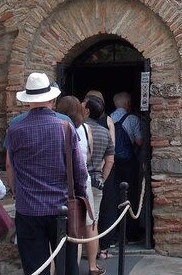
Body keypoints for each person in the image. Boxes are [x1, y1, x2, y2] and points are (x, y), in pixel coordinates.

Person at [5, 72, 88, 275]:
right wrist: (81, 193)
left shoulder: (14, 130)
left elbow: (10, 166)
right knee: (68, 267)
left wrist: (17, 194)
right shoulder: (66, 127)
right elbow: (79, 170)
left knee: (35, 268)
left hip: (28, 209)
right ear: (51, 99)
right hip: (61, 207)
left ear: (28, 100)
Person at [55, 96, 104, 275]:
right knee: (88, 225)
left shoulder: (57, 127)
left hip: (62, 183)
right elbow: (88, 156)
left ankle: (65, 268)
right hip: (83, 181)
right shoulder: (85, 129)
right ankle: (91, 266)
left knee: (65, 229)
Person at [84, 96, 115, 269]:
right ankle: (93, 264)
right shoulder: (104, 132)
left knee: (77, 223)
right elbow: (110, 160)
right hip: (97, 180)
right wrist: (103, 177)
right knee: (93, 222)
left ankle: (75, 260)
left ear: (87, 110)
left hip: (81, 180)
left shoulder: (78, 129)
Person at [109, 92, 144, 242]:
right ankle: (131, 233)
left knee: (113, 196)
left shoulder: (108, 118)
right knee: (130, 197)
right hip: (128, 163)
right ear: (128, 103)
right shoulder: (132, 119)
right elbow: (139, 141)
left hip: (111, 163)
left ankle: (114, 233)